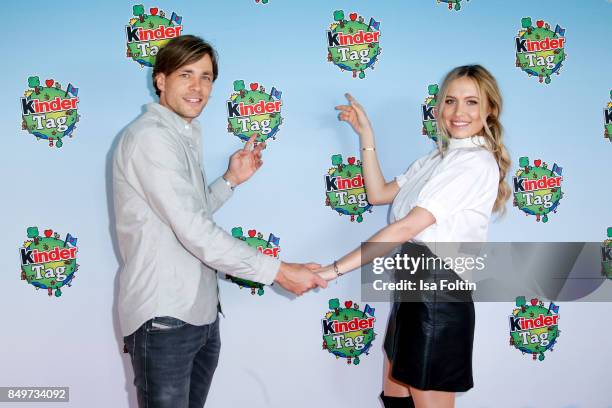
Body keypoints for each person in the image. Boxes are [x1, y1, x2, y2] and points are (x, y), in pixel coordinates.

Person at [112, 35, 326, 408]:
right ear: (161, 80)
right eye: (186, 75)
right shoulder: (151, 139)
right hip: (166, 317)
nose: (198, 87)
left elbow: (184, 217)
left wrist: (229, 181)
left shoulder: (180, 134)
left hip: (198, 315)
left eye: (207, 77)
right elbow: (195, 231)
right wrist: (278, 271)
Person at [317, 65, 510, 408]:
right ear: (438, 107)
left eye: (471, 102)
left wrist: (332, 270)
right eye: (450, 101)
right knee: (396, 401)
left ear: (489, 109)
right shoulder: (438, 159)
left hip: (438, 297)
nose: (458, 112)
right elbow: (378, 194)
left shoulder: (475, 163)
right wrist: (366, 135)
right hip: (413, 292)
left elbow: (405, 227)